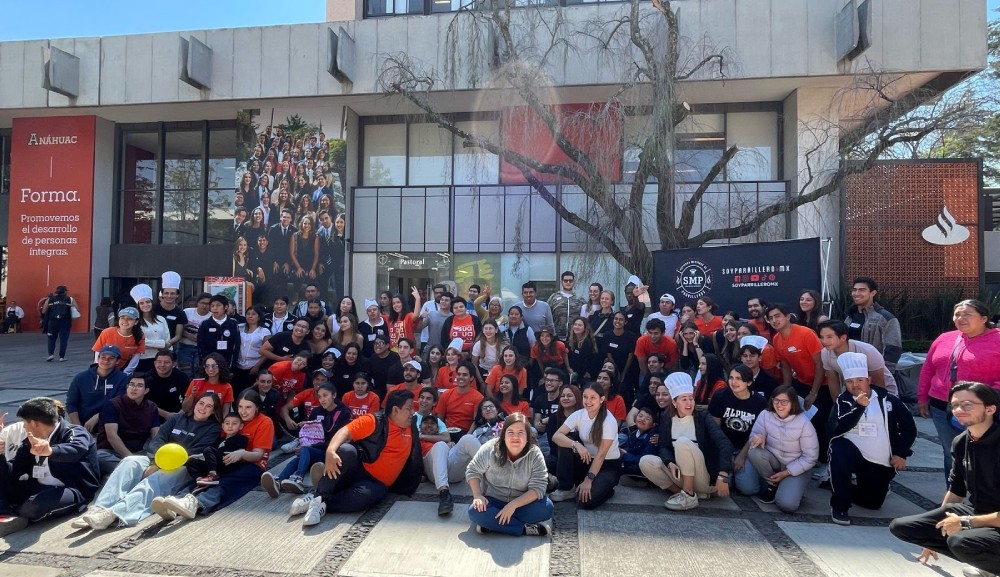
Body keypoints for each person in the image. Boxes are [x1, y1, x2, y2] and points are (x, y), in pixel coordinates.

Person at [889, 381, 1000, 577]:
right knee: (904, 528)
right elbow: (956, 490)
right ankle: (989, 562)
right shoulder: (961, 442)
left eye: (967, 404)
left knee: (960, 542)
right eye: (954, 405)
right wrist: (933, 539)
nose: (958, 410)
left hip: (993, 519)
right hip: (980, 512)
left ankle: (989, 563)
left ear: (990, 409)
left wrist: (965, 522)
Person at [71, 392, 222, 530]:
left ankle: (114, 514)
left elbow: (195, 451)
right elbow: (158, 439)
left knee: (154, 480)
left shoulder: (213, 428)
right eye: (201, 403)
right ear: (195, 403)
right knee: (130, 462)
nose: (203, 408)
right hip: (156, 458)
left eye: (209, 406)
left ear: (214, 411)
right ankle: (100, 507)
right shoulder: (178, 418)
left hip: (183, 465)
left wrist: (160, 465)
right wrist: (154, 462)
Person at [290, 390, 422, 525]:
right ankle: (320, 495)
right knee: (346, 450)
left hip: (376, 483)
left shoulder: (411, 425)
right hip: (357, 469)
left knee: (368, 498)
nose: (413, 412)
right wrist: (330, 451)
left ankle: (318, 501)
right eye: (409, 408)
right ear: (395, 410)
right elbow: (345, 431)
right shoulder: (375, 420)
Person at [828, 352, 916, 526]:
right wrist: (859, 407)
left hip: (879, 458)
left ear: (868, 379)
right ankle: (840, 505)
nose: (855, 385)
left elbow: (909, 427)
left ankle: (840, 486)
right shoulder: (843, 401)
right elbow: (843, 424)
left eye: (859, 380)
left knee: (873, 503)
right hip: (852, 452)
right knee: (839, 450)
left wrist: (901, 453)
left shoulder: (888, 399)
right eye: (850, 382)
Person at [160, 390, 277, 521]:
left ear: (257, 408)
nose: (243, 411)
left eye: (248, 407)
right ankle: (178, 501)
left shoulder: (265, 422)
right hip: (226, 460)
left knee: (225, 482)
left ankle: (196, 503)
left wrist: (242, 453)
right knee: (204, 478)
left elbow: (258, 455)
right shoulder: (233, 419)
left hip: (251, 464)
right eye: (240, 406)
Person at [918, 299, 1000, 480]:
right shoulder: (944, 338)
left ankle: (983, 499)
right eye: (957, 314)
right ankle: (954, 497)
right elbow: (928, 369)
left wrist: (989, 393)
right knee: (952, 452)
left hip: (981, 408)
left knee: (983, 455)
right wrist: (922, 397)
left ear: (984, 318)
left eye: (967, 314)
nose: (960, 318)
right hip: (941, 406)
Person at [0, 398, 100, 536]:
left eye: (24, 423)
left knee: (36, 504)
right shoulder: (29, 440)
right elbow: (13, 471)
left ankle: (17, 514)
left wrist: (51, 451)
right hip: (38, 486)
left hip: (72, 489)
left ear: (34, 423)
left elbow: (76, 449)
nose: (23, 427)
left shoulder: (74, 431)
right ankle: (6, 514)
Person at [638, 372, 733, 511]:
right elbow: (663, 446)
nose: (689, 403)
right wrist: (669, 462)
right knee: (646, 461)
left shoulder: (702, 416)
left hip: (703, 477)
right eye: (684, 399)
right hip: (681, 474)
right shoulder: (667, 417)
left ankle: (689, 495)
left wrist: (723, 475)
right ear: (674, 402)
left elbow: (725, 443)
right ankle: (684, 493)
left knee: (682, 442)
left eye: (691, 398)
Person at [466, 412, 553, 536]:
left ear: (527, 436)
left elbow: (538, 488)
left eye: (520, 433)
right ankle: (524, 529)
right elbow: (473, 470)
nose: (515, 437)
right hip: (493, 501)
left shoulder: (535, 454)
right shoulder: (490, 448)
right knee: (475, 511)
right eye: (510, 432)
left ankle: (494, 524)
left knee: (546, 508)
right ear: (504, 435)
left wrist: (513, 505)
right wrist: (478, 495)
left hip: (522, 503)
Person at [768, 303, 831, 462]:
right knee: (797, 418)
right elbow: (786, 365)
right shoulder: (776, 339)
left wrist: (813, 393)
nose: (774, 320)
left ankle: (824, 459)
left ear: (787, 317)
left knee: (819, 421)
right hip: (801, 383)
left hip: (822, 384)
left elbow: (820, 364)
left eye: (777, 316)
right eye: (770, 318)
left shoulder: (805, 333)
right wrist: (787, 390)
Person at [263, 383, 350, 495]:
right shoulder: (316, 411)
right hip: (317, 449)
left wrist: (309, 447)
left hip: (332, 451)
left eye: (325, 395)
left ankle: (298, 478)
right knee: (299, 456)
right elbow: (310, 435)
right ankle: (279, 481)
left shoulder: (344, 412)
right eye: (319, 396)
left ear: (334, 395)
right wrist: (302, 443)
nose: (322, 399)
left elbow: (338, 439)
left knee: (306, 450)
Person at [743, 385, 818, 512]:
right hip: (773, 460)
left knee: (787, 505)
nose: (779, 405)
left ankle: (790, 487)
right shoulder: (765, 415)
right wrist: (758, 438)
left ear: (792, 403)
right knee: (754, 452)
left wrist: (787, 473)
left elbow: (811, 457)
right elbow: (753, 437)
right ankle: (772, 484)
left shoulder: (804, 423)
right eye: (776, 400)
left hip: (795, 466)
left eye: (784, 401)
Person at [550, 382, 621, 509]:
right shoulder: (578, 414)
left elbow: (601, 455)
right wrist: (576, 445)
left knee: (586, 502)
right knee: (567, 441)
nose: (588, 401)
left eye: (592, 397)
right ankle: (566, 488)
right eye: (585, 397)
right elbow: (557, 436)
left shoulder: (609, 421)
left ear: (601, 399)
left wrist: (589, 480)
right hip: (586, 459)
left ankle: (607, 489)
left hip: (607, 465)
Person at [709, 364, 768, 497]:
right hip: (724, 447)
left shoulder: (760, 402)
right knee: (722, 485)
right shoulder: (720, 396)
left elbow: (757, 432)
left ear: (749, 382)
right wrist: (726, 455)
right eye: (731, 377)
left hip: (747, 448)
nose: (733, 382)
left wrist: (741, 456)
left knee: (749, 489)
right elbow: (715, 429)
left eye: (739, 379)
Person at [95, 372, 160, 476]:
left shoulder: (151, 407)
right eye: (131, 384)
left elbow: (156, 435)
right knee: (99, 457)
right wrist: (131, 459)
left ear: (146, 390)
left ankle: (135, 472)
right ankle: (135, 472)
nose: (134, 388)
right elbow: (112, 437)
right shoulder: (113, 404)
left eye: (139, 386)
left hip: (140, 453)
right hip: (111, 452)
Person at [819, 320, 898, 397]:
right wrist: (837, 406)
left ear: (843, 338)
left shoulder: (868, 351)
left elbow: (878, 383)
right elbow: (833, 382)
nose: (824, 341)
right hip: (852, 391)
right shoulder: (825, 353)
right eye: (822, 337)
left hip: (884, 393)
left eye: (829, 337)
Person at [66, 345, 130, 434]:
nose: (106, 361)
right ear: (98, 358)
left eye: (111, 358)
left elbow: (118, 404)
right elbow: (71, 404)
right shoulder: (81, 377)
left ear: (117, 361)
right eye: (103, 357)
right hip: (82, 424)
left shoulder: (122, 378)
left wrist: (98, 416)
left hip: (109, 424)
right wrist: (78, 427)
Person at [845, 277, 902, 373]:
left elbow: (893, 349)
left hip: (874, 370)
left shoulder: (886, 318)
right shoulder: (850, 316)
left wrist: (885, 373)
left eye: (862, 290)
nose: (856, 293)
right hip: (851, 369)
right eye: (854, 290)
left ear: (873, 293)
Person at [185, 413, 248, 486]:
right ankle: (200, 479)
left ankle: (212, 475)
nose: (230, 426)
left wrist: (213, 453)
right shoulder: (220, 439)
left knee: (209, 449)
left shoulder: (241, 439)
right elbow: (209, 453)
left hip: (228, 462)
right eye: (227, 423)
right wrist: (196, 456)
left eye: (234, 424)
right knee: (191, 461)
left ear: (241, 426)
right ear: (223, 426)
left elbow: (238, 452)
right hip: (214, 464)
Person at [437, 362, 486, 441]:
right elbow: (439, 419)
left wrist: (466, 437)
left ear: (471, 378)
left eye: (465, 375)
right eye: (459, 374)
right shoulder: (446, 394)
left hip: (467, 434)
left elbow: (476, 422)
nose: (461, 377)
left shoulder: (478, 397)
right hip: (447, 433)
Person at [131, 284, 171, 374]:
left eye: (148, 302)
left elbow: (167, 340)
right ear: (138, 306)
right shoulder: (135, 322)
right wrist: (161, 344)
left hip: (161, 361)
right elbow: (139, 341)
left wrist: (166, 348)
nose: (145, 305)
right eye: (142, 303)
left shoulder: (161, 319)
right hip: (142, 360)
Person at [196, 294, 241, 370]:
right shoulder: (205, 324)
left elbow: (235, 347)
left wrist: (231, 367)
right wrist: (205, 365)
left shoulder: (233, 323)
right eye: (212, 306)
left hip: (227, 364)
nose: (214, 308)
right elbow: (201, 347)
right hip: (209, 365)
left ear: (226, 307)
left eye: (218, 305)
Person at [146, 350, 189, 422]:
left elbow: (188, 398)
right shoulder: (148, 378)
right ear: (154, 363)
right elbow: (145, 402)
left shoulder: (181, 377)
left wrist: (180, 414)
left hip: (175, 413)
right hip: (152, 413)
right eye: (159, 362)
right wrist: (167, 415)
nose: (162, 365)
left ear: (174, 364)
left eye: (166, 362)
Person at [178, 293, 213, 378]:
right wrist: (190, 336)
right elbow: (179, 330)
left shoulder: (212, 317)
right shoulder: (187, 312)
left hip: (201, 349)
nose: (204, 306)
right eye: (202, 303)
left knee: (199, 372)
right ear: (197, 303)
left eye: (208, 304)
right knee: (185, 372)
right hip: (184, 347)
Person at [153, 271, 187, 352]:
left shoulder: (180, 312)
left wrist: (167, 343)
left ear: (177, 295)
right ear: (162, 294)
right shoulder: (153, 309)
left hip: (170, 347)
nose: (169, 296)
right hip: (151, 345)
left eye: (172, 293)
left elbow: (178, 335)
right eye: (166, 293)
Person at [42, 285, 77, 362]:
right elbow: (76, 309)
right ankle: (62, 357)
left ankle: (51, 355)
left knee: (51, 339)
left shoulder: (50, 299)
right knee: (63, 339)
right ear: (65, 292)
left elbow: (44, 311)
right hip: (65, 322)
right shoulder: (70, 299)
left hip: (52, 322)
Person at [548, 271, 584, 342]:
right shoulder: (553, 298)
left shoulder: (580, 300)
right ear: (561, 282)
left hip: (574, 338)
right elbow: (548, 316)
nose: (568, 282)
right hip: (556, 338)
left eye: (570, 281)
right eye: (565, 280)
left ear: (574, 282)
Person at [739, 335, 779, 399]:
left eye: (752, 356)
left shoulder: (770, 383)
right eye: (745, 356)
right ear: (741, 358)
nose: (748, 359)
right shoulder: (735, 379)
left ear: (760, 358)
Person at [566, 317, 603, 383]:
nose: (577, 327)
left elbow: (585, 362)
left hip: (584, 375)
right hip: (573, 372)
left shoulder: (587, 343)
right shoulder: (571, 340)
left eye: (580, 325)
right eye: (575, 324)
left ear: (585, 328)